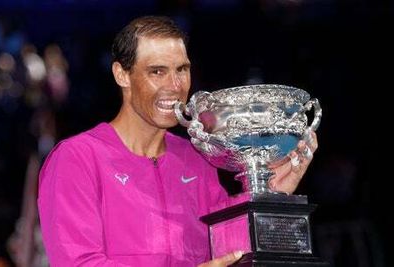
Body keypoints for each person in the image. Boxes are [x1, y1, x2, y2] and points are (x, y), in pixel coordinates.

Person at [37, 15, 318, 267]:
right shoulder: (77, 158)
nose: (175, 86)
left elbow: (233, 253)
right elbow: (79, 262)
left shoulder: (197, 158)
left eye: (181, 70)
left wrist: (269, 198)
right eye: (157, 71)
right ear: (122, 74)